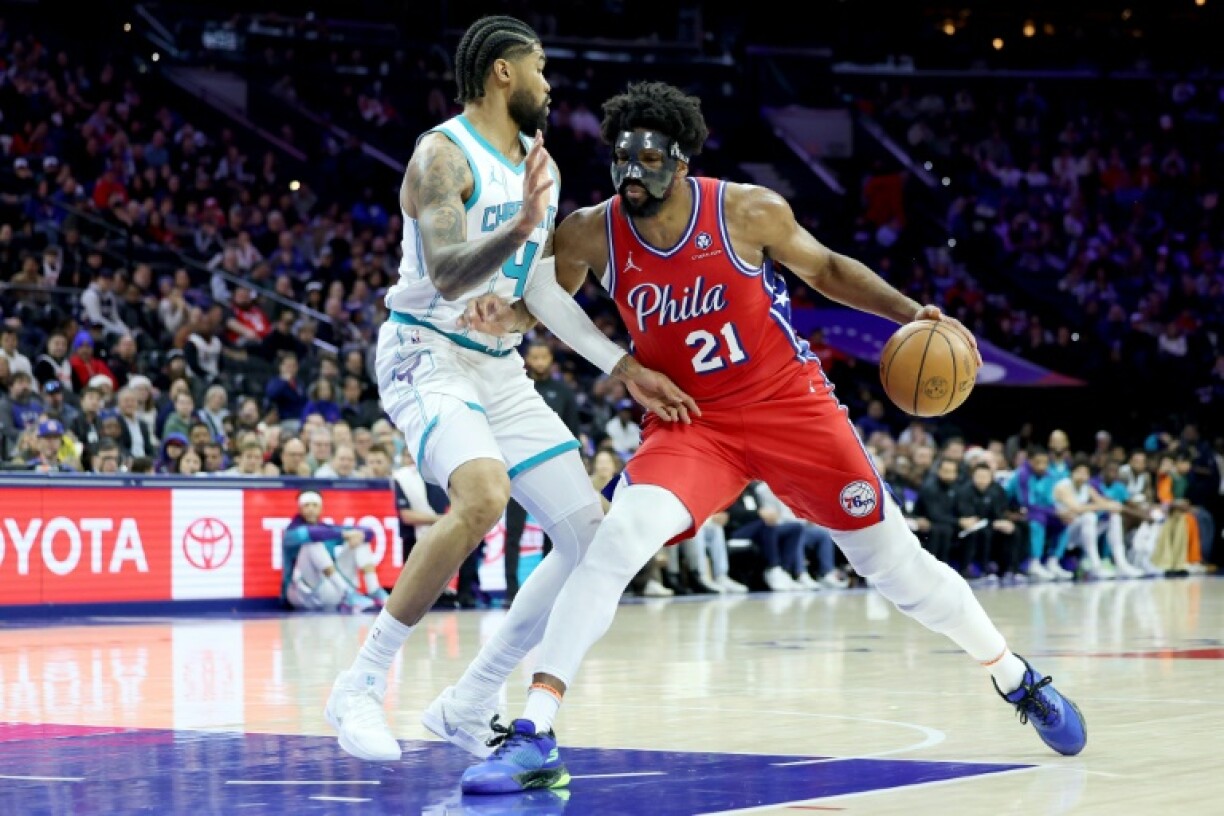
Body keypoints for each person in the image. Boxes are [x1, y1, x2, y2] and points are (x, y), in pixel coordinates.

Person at [454, 81, 1086, 794]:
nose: (632, 175)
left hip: (790, 407)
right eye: (621, 161)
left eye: (649, 160)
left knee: (900, 571)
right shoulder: (589, 231)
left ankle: (1014, 677)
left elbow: (827, 269)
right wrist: (497, 316)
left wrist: (915, 313)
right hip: (693, 423)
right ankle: (536, 733)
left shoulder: (748, 210)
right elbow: (540, 306)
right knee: (613, 543)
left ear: (683, 161)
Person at [323, 17, 696, 763]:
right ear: (502, 72)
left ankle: (469, 700)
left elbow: (544, 292)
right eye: (540, 67)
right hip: (423, 354)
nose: (549, 84)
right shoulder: (440, 156)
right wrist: (521, 224)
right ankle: (358, 687)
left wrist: (622, 366)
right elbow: (447, 272)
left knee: (592, 537)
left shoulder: (543, 167)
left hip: (497, 364)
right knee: (483, 496)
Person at [282, 490, 389, 612]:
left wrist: (359, 535)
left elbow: (369, 532)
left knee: (360, 539)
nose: (311, 509)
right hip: (302, 594)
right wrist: (344, 534)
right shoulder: (291, 533)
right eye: (306, 505)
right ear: (300, 509)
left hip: (330, 590)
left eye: (314, 505)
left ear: (321, 508)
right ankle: (347, 593)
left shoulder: (327, 528)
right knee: (312, 543)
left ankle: (374, 591)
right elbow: (311, 534)